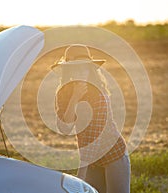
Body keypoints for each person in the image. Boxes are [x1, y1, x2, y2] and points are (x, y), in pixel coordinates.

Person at [52, 44, 131, 193]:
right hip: (92, 159)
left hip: (113, 153)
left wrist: (81, 175)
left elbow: (96, 136)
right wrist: (74, 98)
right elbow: (64, 127)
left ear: (90, 70)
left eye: (84, 68)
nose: (80, 72)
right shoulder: (63, 93)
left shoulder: (99, 94)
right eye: (75, 68)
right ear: (68, 70)